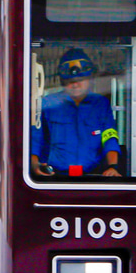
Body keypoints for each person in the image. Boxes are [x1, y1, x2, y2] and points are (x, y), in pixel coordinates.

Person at [30, 48, 121, 178]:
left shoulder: (100, 104)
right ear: (63, 82)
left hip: (93, 176)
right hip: (54, 177)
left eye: (80, 80)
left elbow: (109, 136)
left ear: (89, 79)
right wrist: (34, 165)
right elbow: (36, 137)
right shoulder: (48, 103)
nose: (75, 85)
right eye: (70, 81)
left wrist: (113, 167)